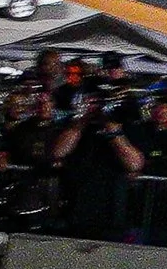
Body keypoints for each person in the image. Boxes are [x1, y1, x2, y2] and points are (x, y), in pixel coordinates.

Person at [55, 95, 146, 241]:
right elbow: (58, 151)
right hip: (75, 207)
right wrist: (81, 122)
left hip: (112, 209)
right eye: (92, 102)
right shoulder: (75, 125)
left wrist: (112, 130)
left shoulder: (128, 127)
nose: (96, 108)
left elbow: (135, 163)